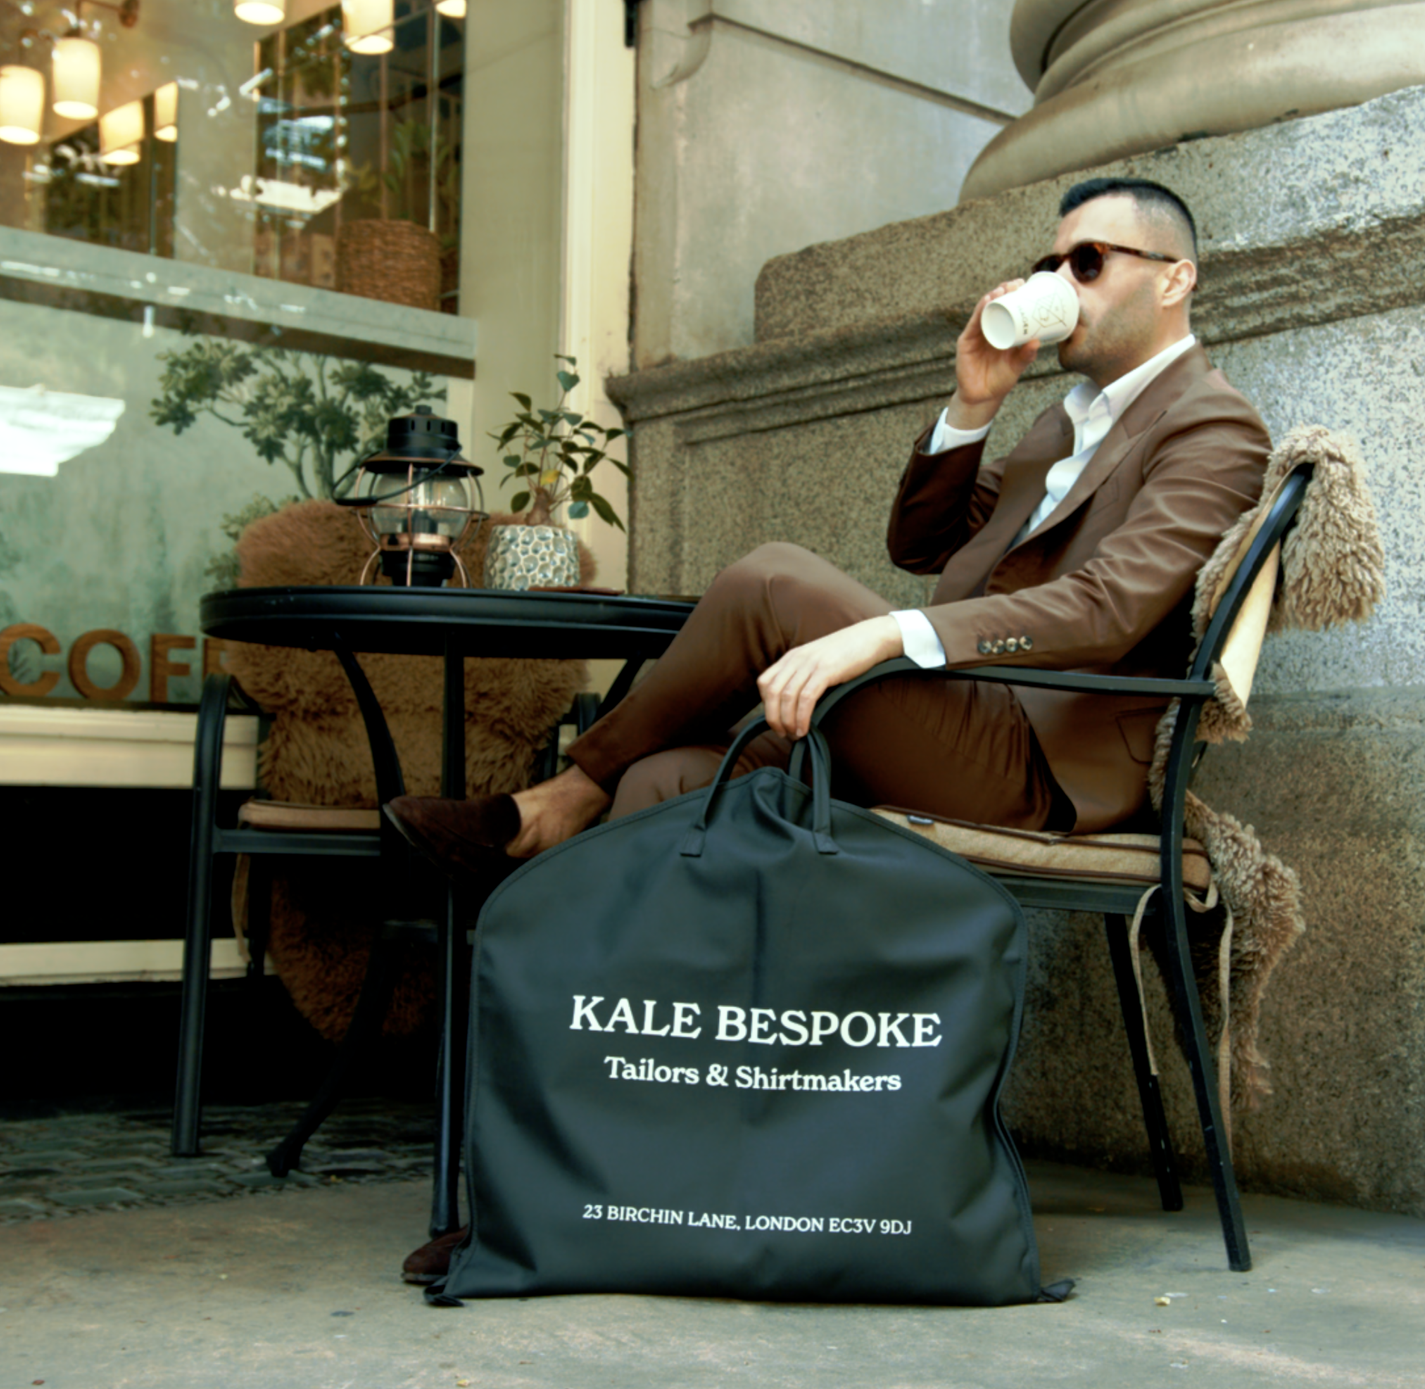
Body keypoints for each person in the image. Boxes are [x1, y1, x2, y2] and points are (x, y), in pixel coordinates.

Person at [391, 174, 1272, 1282]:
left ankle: (551, 803)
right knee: (668, 783)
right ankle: (604, 1188)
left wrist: (884, 640)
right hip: (956, 722)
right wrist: (972, 401)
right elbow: (920, 540)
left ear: (1174, 279)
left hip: (1035, 763)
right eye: (1051, 264)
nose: (1058, 282)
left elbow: (1105, 614)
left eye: (1085, 263)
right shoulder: (1061, 424)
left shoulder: (1213, 423)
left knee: (770, 580)